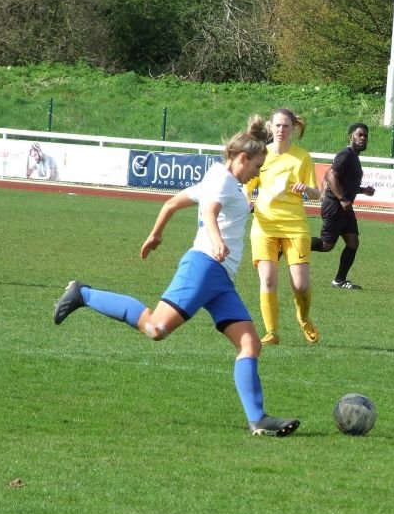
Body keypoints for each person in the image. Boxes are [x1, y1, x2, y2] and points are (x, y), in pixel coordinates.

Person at [52, 115, 299, 437]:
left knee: (250, 344)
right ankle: (83, 293)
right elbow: (209, 212)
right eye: (256, 166)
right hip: (204, 266)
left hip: (221, 278)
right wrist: (217, 241)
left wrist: (156, 235)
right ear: (242, 158)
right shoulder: (222, 181)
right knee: (155, 328)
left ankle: (258, 420)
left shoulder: (219, 178)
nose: (256, 172)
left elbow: (171, 203)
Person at [245, 108, 321, 346]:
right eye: (277, 126)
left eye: (285, 126)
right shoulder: (261, 154)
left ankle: (304, 317)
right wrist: (248, 198)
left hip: (294, 224)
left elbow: (316, 193)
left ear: (293, 128)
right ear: (270, 127)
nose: (281, 130)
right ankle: (272, 332)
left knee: (300, 284)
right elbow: (248, 183)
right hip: (264, 224)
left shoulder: (302, 157)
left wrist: (305, 189)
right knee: (267, 279)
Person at [310, 123, 375, 290]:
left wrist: (363, 190)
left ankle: (339, 280)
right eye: (359, 135)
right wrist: (341, 198)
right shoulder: (345, 154)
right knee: (326, 245)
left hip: (345, 208)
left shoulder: (353, 156)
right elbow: (331, 174)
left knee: (353, 242)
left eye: (365, 136)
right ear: (350, 136)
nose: (363, 138)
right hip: (335, 205)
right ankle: (292, 243)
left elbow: (345, 182)